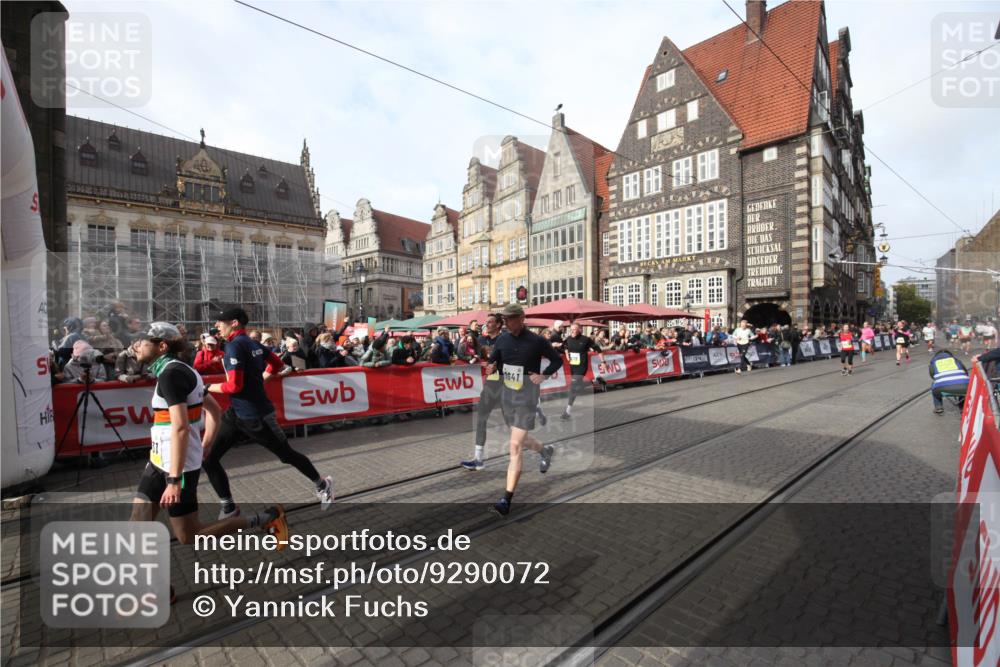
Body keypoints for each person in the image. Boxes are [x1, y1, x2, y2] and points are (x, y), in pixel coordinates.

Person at [130, 322, 287, 555]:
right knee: (137, 527)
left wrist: (174, 481)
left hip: (177, 470)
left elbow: (181, 428)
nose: (135, 347)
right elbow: (213, 411)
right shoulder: (183, 370)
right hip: (158, 462)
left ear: (162, 346)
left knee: (188, 535)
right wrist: (205, 444)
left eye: (141, 342)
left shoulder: (171, 375)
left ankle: (266, 519)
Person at [203, 307, 333, 519]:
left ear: (234, 323)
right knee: (208, 458)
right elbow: (277, 364)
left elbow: (234, 386)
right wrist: (259, 380)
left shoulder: (235, 346)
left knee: (286, 455)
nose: (217, 325)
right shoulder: (251, 343)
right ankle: (228, 507)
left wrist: (207, 388)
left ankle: (323, 484)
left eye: (220, 321)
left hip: (256, 415)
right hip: (236, 413)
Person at [484, 304, 563, 516]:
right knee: (520, 439)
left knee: (515, 446)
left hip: (527, 398)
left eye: (510, 319)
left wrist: (543, 376)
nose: (506, 322)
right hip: (507, 397)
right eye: (504, 319)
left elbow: (557, 360)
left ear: (521, 318)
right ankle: (545, 451)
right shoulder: (502, 339)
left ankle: (506, 499)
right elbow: (494, 362)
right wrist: (491, 367)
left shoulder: (537, 341)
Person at [462, 313, 504, 471]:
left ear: (499, 324)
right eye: (486, 322)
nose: (487, 324)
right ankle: (478, 459)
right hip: (491, 383)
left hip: (506, 384)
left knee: (513, 424)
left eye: (491, 322)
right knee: (481, 418)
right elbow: (473, 354)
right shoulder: (481, 340)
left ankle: (541, 449)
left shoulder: (505, 339)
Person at [561, 323, 604, 421]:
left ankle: (567, 412)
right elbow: (564, 347)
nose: (573, 331)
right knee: (577, 387)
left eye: (575, 329)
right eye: (571, 329)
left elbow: (598, 350)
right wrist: (567, 354)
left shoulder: (585, 339)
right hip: (573, 367)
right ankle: (595, 382)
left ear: (580, 329)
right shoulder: (568, 339)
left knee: (573, 387)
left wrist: (603, 362)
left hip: (581, 367)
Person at [928, 349, 969, 414]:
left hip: (942, 388)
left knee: (934, 385)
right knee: (963, 383)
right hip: (965, 386)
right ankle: (962, 406)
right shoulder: (956, 360)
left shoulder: (934, 362)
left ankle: (938, 406)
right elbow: (966, 372)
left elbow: (932, 375)